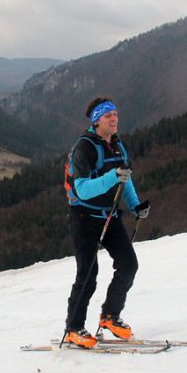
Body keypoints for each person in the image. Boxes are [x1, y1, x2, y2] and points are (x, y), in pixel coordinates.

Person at [62, 97, 151, 348]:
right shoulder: (84, 148)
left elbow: (126, 179)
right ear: (96, 120)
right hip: (83, 216)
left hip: (109, 214)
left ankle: (110, 316)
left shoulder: (118, 146)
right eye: (108, 115)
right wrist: (113, 176)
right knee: (88, 273)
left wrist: (135, 206)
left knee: (129, 264)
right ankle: (73, 327)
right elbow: (81, 190)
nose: (114, 119)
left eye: (115, 114)